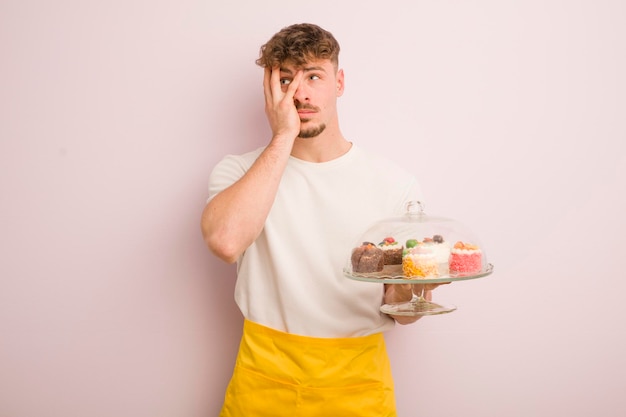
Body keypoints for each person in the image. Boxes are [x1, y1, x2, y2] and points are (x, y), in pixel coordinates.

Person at [201, 23, 435, 417]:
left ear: (339, 82)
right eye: (286, 80)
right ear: (269, 91)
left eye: (313, 76)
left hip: (358, 384)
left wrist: (415, 292)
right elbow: (225, 242)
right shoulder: (238, 171)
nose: (301, 93)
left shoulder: (395, 184)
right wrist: (282, 138)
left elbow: (403, 312)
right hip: (263, 381)